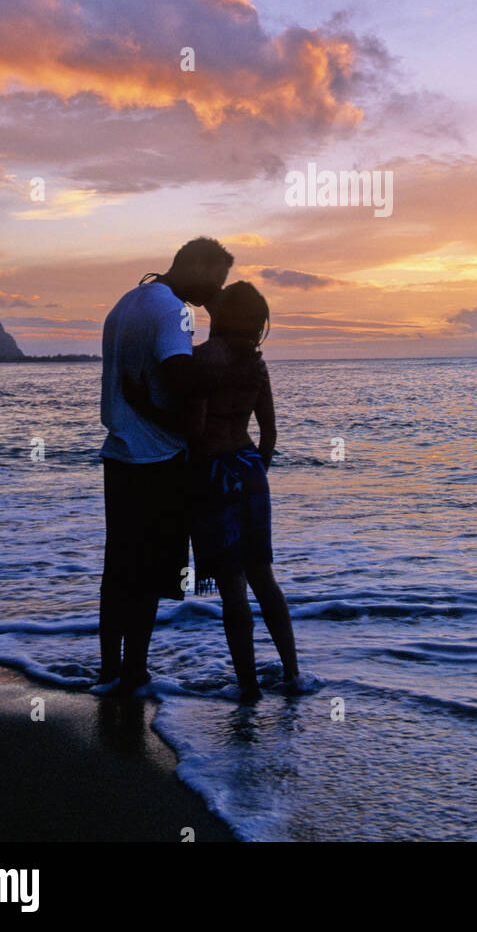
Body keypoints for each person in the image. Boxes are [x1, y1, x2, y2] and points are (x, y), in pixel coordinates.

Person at [98, 236, 233, 696]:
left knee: (117, 569)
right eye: (215, 279)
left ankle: (109, 668)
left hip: (119, 454)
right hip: (158, 459)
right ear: (193, 264)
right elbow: (181, 378)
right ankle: (134, 671)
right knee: (151, 573)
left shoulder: (127, 302)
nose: (217, 292)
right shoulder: (175, 311)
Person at [189, 281, 300, 702]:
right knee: (264, 578)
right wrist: (256, 472)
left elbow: (196, 431)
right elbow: (268, 432)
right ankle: (292, 674)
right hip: (252, 473)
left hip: (213, 474)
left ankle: (248, 687)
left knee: (233, 588)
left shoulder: (202, 360)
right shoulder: (258, 366)